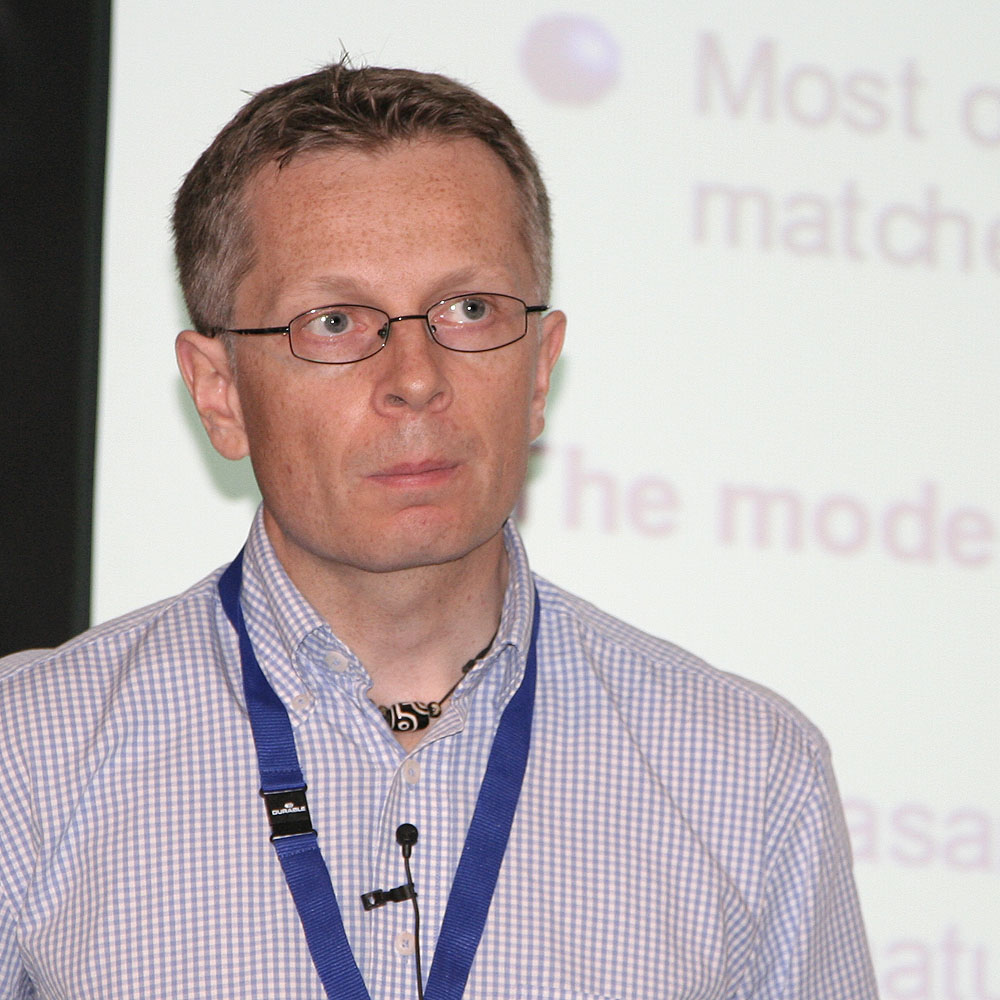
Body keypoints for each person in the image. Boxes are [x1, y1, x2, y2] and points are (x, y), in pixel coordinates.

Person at [0, 62, 877, 999]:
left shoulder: (750, 776)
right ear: (220, 394)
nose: (416, 378)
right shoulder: (27, 758)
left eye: (470, 310)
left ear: (538, 372)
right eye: (335, 321)